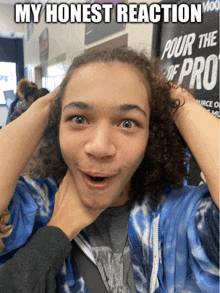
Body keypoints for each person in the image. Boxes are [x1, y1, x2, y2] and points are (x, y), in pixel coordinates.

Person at [0, 48, 218, 293]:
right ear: (56, 126)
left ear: (152, 135)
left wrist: (180, 103)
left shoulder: (180, 217)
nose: (100, 147)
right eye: (79, 119)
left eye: (127, 123)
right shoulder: (33, 208)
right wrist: (47, 104)